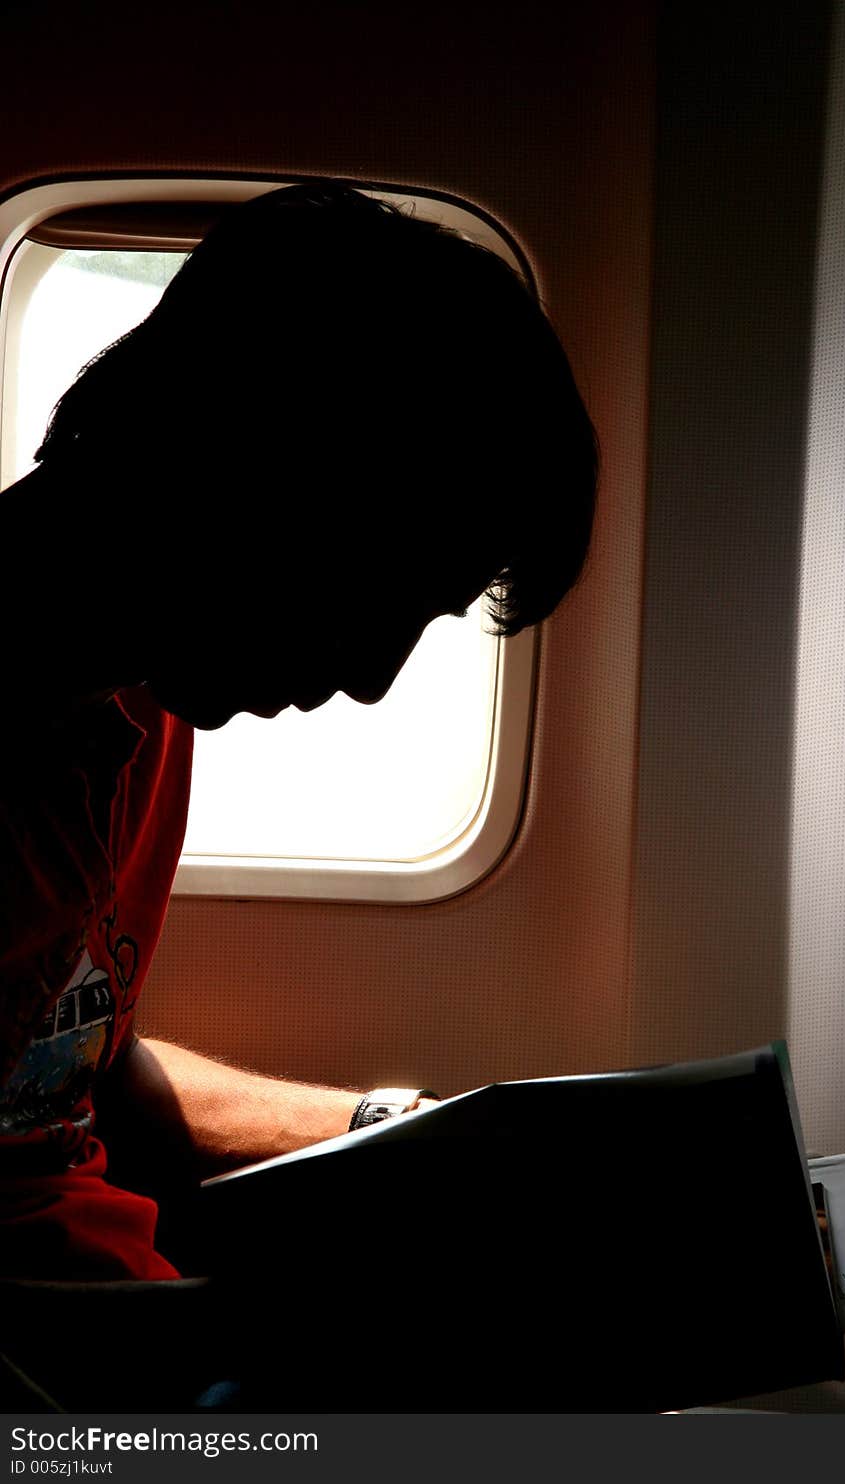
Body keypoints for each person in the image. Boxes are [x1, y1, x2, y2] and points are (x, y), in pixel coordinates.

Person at [0, 182, 598, 1406]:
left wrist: (421, 1133)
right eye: (384, 592)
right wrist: (263, 1331)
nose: (374, 679)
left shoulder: (139, 712)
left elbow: (72, 1072)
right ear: (261, 470)